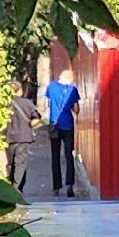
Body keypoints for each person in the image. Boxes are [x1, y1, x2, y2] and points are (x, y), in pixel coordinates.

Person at [43, 68, 80, 198]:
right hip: (68, 125)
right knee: (69, 155)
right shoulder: (72, 90)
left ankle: (56, 187)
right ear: (70, 79)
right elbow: (76, 108)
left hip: (54, 124)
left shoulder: (51, 86)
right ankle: (69, 185)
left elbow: (46, 104)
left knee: (55, 156)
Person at [4, 82, 38, 196]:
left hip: (8, 137)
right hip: (24, 136)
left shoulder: (4, 104)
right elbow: (36, 118)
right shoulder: (27, 103)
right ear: (20, 91)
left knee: (10, 162)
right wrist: (31, 125)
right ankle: (17, 187)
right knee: (21, 162)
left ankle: (11, 184)